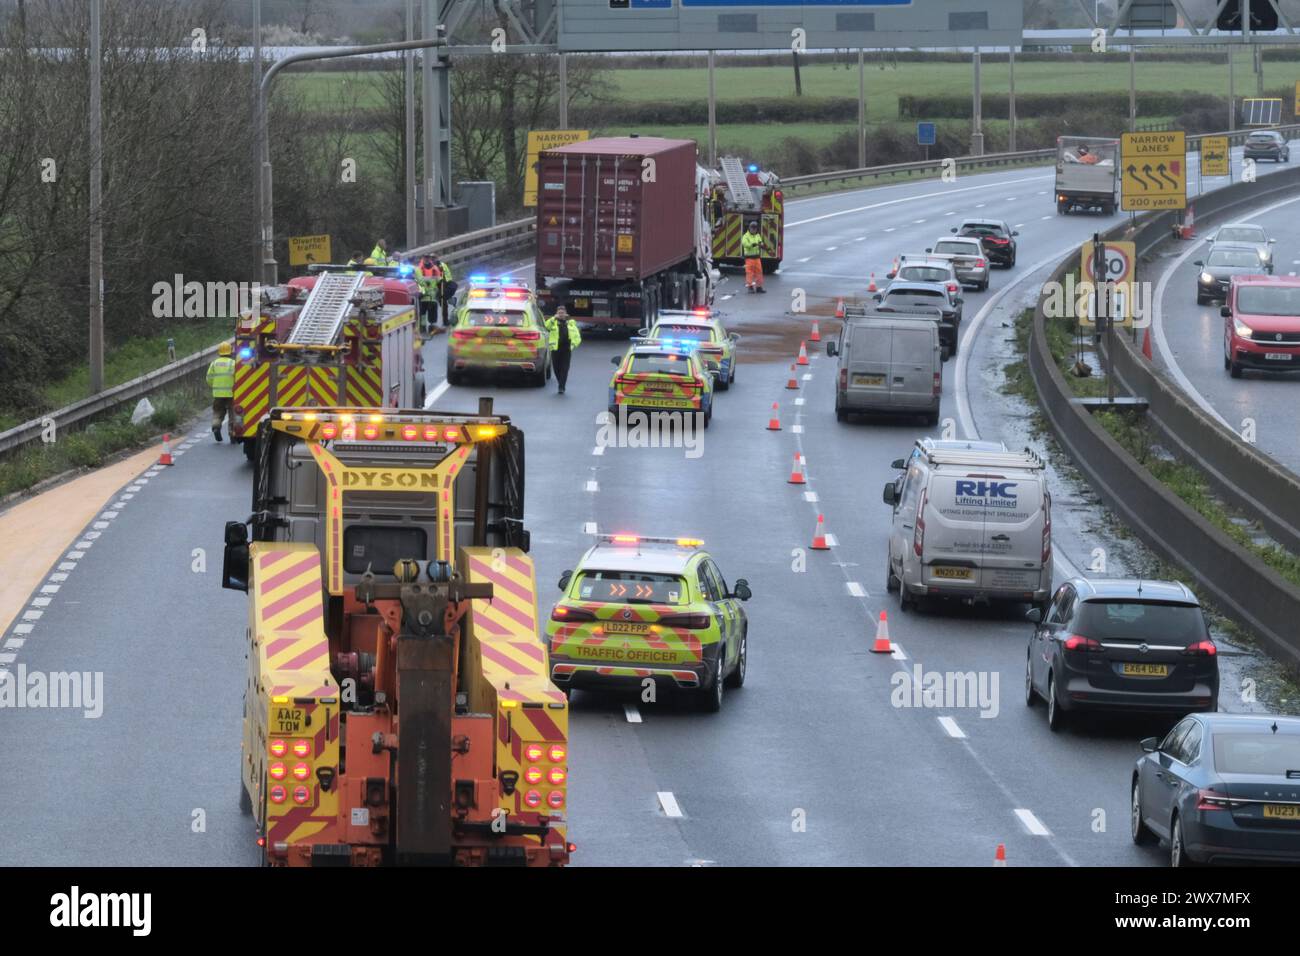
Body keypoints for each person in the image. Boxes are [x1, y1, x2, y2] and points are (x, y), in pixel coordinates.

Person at [544, 305, 582, 394]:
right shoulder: (553, 322)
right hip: (555, 349)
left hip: (566, 349)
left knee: (565, 369)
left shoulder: (571, 323)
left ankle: (561, 386)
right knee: (557, 368)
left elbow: (577, 336)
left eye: (562, 313)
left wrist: (574, 345)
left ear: (565, 314)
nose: (561, 314)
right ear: (556, 313)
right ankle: (560, 382)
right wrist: (553, 318)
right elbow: (546, 327)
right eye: (559, 313)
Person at [206, 341, 236, 442]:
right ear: (230, 351)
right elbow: (238, 378)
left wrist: (214, 386)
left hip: (217, 394)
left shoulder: (214, 363)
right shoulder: (233, 363)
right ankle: (232, 433)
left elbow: (209, 378)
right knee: (233, 414)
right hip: (231, 394)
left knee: (218, 411)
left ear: (219, 352)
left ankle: (216, 427)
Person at [416, 256, 441, 332]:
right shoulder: (419, 269)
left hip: (432, 296)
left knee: (432, 313)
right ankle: (423, 327)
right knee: (422, 313)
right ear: (423, 259)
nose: (427, 260)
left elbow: (439, 281)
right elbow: (419, 281)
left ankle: (431, 326)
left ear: (430, 259)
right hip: (423, 296)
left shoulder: (435, 269)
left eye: (428, 258)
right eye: (425, 258)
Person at [741, 220, 765, 293]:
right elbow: (745, 244)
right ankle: (750, 287)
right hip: (749, 258)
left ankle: (759, 287)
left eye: (755, 228)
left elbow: (760, 241)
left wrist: (762, 245)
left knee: (759, 272)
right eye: (752, 228)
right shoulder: (746, 236)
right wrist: (752, 244)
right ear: (749, 228)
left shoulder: (757, 235)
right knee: (750, 273)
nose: (754, 229)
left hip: (757, 257)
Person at [435, 256, 457, 326]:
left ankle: (448, 298)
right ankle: (445, 321)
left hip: (445, 283)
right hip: (436, 287)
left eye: (435, 258)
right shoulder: (430, 268)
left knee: (454, 285)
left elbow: (448, 277)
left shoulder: (442, 265)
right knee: (442, 301)